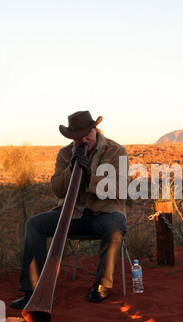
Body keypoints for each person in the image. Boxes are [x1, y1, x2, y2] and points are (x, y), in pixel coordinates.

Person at [10, 110, 128, 309]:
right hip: (72, 214)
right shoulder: (65, 153)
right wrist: (70, 169)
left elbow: (120, 189)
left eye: (86, 135)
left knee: (114, 228)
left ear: (95, 129)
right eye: (77, 137)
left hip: (104, 213)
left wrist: (90, 176)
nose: (82, 140)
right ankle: (32, 290)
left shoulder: (117, 151)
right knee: (35, 224)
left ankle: (101, 285)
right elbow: (57, 189)